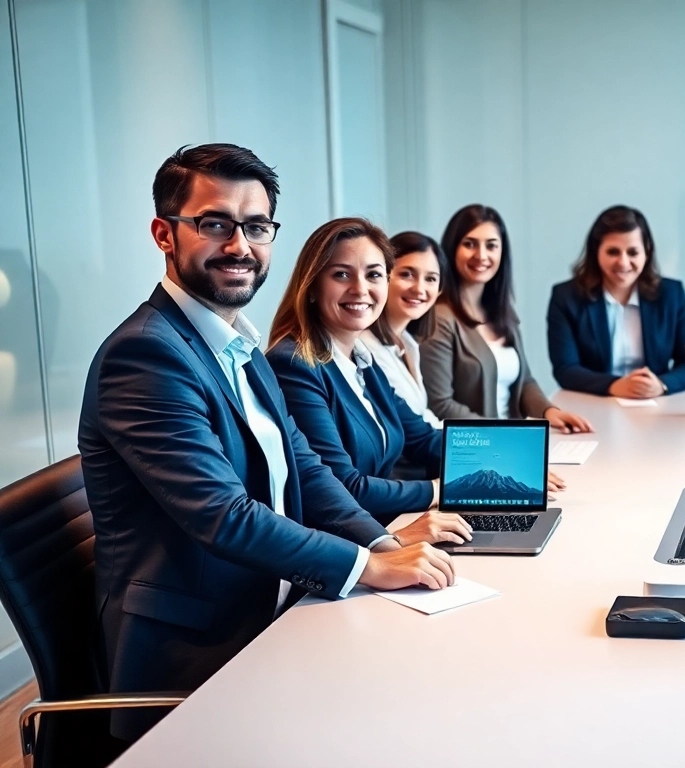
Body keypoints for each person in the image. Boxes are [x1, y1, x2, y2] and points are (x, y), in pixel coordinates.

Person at [78, 144, 462, 742]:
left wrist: (385, 545)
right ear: (164, 233)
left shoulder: (239, 347)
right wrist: (368, 567)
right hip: (204, 650)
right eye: (214, 224)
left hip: (282, 607)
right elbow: (223, 516)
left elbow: (305, 469)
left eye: (256, 227)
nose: (239, 246)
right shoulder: (147, 354)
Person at [267, 218, 474, 527]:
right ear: (311, 287)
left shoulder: (363, 360)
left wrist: (504, 461)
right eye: (341, 274)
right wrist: (442, 490)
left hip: (387, 528)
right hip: (348, 549)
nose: (360, 289)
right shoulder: (295, 364)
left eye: (374, 275)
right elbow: (344, 487)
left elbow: (422, 438)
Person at [421, 204, 591, 432]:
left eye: (491, 245)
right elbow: (440, 404)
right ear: (452, 249)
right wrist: (504, 435)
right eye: (469, 244)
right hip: (476, 447)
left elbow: (525, 382)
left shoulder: (501, 313)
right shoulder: (440, 318)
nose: (481, 255)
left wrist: (550, 412)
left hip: (507, 441)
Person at [546, 205, 685, 398]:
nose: (623, 262)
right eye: (613, 252)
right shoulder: (566, 297)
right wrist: (615, 385)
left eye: (633, 253)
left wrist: (662, 384)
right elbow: (565, 369)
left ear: (647, 252)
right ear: (596, 252)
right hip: (594, 402)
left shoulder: (671, 294)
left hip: (656, 404)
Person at [363, 231, 443, 427]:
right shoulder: (364, 347)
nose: (419, 289)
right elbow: (410, 430)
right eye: (407, 274)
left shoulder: (408, 342)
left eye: (431, 279)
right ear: (382, 277)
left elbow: (424, 416)